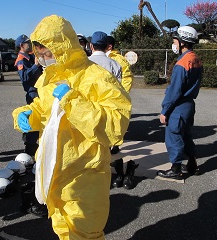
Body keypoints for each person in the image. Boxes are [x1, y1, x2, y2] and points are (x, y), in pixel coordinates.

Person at [12, 15, 131, 239]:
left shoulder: (96, 77)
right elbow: (43, 107)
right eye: (41, 55)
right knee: (61, 225)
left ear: (64, 48)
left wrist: (73, 101)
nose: (45, 59)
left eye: (49, 54)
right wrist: (29, 114)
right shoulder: (50, 76)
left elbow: (116, 125)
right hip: (54, 170)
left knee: (86, 232)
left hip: (86, 172)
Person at [157, 26, 202, 180]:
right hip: (189, 105)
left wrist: (165, 111)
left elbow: (175, 91)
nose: (174, 44)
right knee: (186, 135)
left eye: (175, 41)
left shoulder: (182, 63)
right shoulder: (195, 58)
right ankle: (193, 164)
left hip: (178, 106)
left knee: (174, 136)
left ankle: (176, 169)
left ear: (183, 42)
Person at [105, 35, 137, 189]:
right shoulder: (99, 58)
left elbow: (127, 77)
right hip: (104, 100)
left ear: (109, 46)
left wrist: (121, 94)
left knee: (115, 129)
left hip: (115, 99)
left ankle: (120, 167)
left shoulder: (118, 59)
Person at [14, 34, 42, 157]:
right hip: (32, 93)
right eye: (27, 43)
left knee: (38, 117)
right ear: (21, 45)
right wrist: (35, 66)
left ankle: (33, 143)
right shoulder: (21, 60)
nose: (30, 45)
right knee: (32, 118)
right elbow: (24, 77)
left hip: (38, 91)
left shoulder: (30, 56)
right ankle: (29, 145)